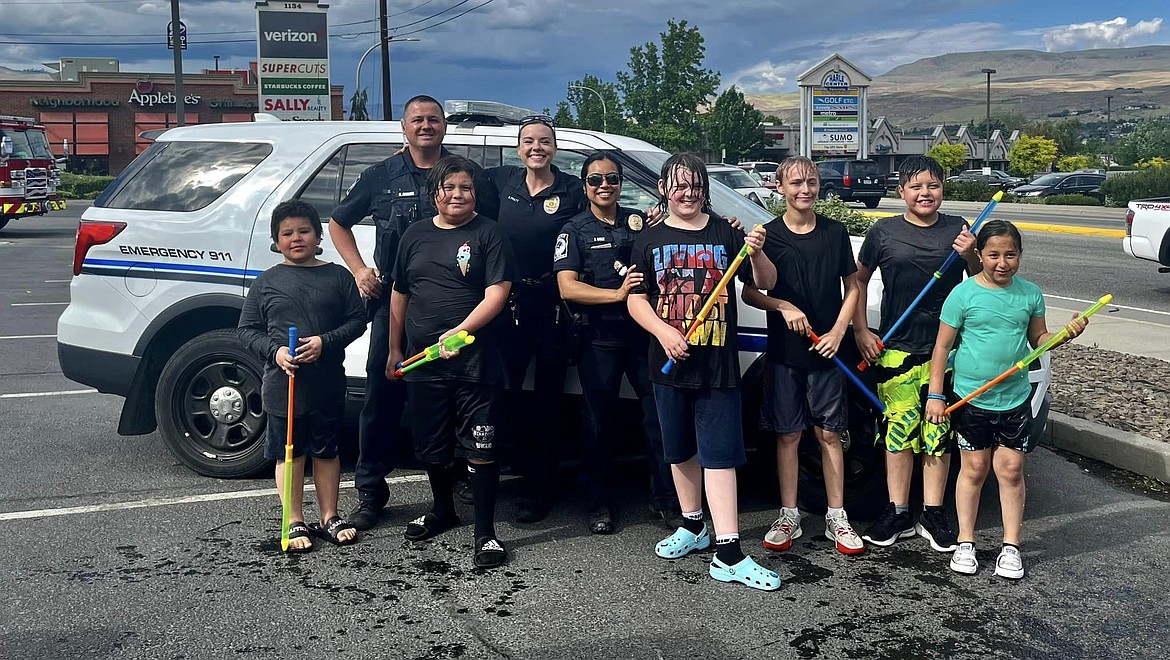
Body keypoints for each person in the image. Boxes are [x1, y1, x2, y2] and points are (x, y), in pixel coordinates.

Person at [329, 95, 497, 530]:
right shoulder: (381, 175)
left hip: (460, 311)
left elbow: (495, 224)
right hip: (396, 304)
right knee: (382, 398)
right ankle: (370, 492)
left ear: (445, 127)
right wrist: (360, 268)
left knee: (459, 396)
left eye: (434, 120)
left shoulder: (466, 174)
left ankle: (456, 482)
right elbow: (338, 222)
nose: (426, 126)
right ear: (403, 128)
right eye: (417, 120)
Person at [627, 152, 780, 591]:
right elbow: (636, 299)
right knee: (678, 452)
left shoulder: (723, 233)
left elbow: (762, 285)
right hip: (668, 364)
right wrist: (663, 332)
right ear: (662, 189)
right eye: (679, 185)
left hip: (718, 368)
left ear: (704, 190)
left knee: (719, 455)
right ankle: (693, 526)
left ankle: (728, 552)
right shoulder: (649, 240)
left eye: (695, 185)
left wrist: (757, 254)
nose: (688, 193)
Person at [926, 220, 1087, 578]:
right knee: (975, 468)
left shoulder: (1030, 294)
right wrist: (936, 395)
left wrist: (1065, 335)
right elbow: (942, 347)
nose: (1002, 262)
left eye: (1010, 255)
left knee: (1011, 470)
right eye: (994, 254)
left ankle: (1011, 546)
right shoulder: (963, 294)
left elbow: (1038, 340)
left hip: (1014, 398)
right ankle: (966, 541)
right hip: (970, 397)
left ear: (1020, 256)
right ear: (979, 255)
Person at [387, 155, 514, 568]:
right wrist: (394, 348)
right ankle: (443, 510)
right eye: (449, 187)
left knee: (481, 445)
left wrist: (460, 333)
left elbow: (498, 292)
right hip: (424, 362)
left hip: (477, 362)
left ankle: (485, 533)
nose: (457, 194)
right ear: (434, 194)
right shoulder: (414, 234)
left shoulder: (489, 233)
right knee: (432, 446)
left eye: (466, 187)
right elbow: (400, 293)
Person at [741, 156, 864, 556]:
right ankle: (789, 512)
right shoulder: (768, 236)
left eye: (811, 182)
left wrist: (839, 330)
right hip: (784, 354)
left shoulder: (835, 232)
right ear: (780, 187)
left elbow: (853, 288)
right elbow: (751, 292)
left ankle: (836, 515)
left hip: (827, 352)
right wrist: (782, 306)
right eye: (795, 183)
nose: (805, 189)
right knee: (789, 434)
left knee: (830, 434)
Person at [554, 151, 682, 534]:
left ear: (621, 183)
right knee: (598, 421)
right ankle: (597, 501)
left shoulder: (639, 222)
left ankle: (666, 500)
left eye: (612, 178)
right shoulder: (572, 230)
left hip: (645, 335)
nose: (604, 185)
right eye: (595, 180)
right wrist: (617, 295)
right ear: (584, 185)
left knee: (657, 419)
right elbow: (567, 286)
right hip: (599, 336)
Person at [853, 155, 974, 553]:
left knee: (938, 434)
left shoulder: (959, 229)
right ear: (901, 191)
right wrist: (861, 330)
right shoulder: (883, 232)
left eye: (933, 185)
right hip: (897, 349)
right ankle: (899, 510)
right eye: (916, 186)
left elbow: (979, 282)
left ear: (943, 188)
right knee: (898, 433)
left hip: (947, 351)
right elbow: (857, 281)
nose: (926, 193)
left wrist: (971, 253)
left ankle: (934, 513)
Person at [239, 200, 367, 552]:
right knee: (289, 453)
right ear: (276, 240)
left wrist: (326, 342)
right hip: (284, 385)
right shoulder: (267, 283)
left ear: (318, 235)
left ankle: (329, 515)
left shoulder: (338, 276)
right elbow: (247, 330)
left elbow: (357, 320)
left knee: (326, 449)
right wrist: (276, 352)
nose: (297, 238)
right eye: (287, 233)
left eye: (304, 231)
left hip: (327, 382)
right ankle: (293, 518)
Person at [485, 115, 587, 523]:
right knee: (500, 393)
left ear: (555, 147)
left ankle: (538, 489)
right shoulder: (499, 181)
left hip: (552, 304)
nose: (536, 148)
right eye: (528, 141)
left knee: (547, 400)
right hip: (507, 302)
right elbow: (448, 179)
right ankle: (490, 475)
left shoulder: (574, 190)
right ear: (518, 147)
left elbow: (607, 214)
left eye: (544, 141)